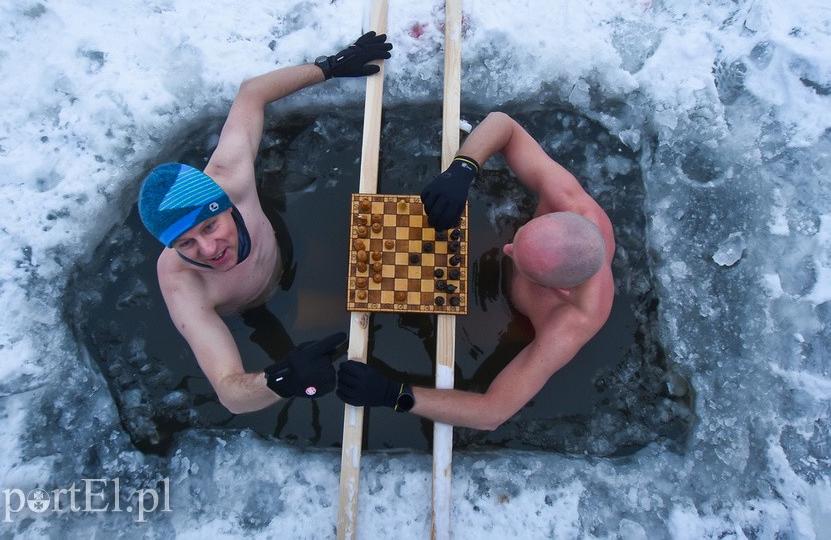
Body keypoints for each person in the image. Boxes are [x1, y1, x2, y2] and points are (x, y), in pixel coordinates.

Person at [137, 32, 392, 414]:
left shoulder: (231, 176)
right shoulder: (182, 285)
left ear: (224, 205)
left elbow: (252, 93)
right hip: (264, 307)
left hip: (287, 248)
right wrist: (279, 378)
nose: (209, 250)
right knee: (362, 322)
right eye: (185, 243)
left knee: (387, 270)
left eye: (209, 227)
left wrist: (329, 66)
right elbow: (229, 392)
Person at [336, 111, 615, 431]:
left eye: (518, 259)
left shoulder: (570, 323)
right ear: (553, 216)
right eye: (518, 240)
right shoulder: (568, 200)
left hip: (506, 317)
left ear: (560, 290)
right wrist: (463, 168)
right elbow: (504, 124)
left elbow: (492, 412)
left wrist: (396, 394)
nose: (506, 249)